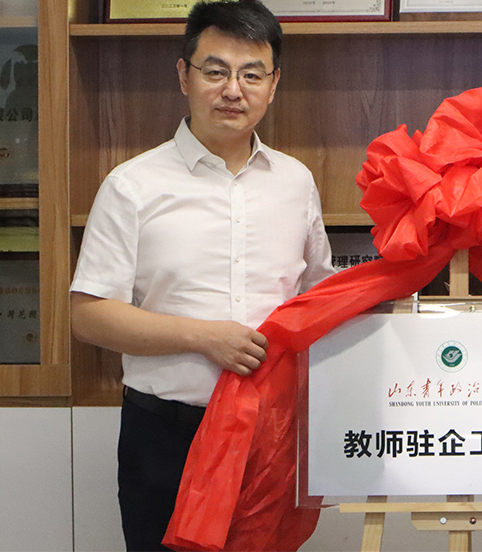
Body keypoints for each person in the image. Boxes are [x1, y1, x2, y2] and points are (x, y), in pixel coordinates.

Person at [69, 1, 335, 549]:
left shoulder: (296, 182)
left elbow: (317, 298)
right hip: (167, 435)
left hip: (272, 431)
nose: (233, 90)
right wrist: (204, 337)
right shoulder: (132, 185)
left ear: (274, 84)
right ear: (183, 76)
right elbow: (89, 316)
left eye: (251, 74)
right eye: (215, 71)